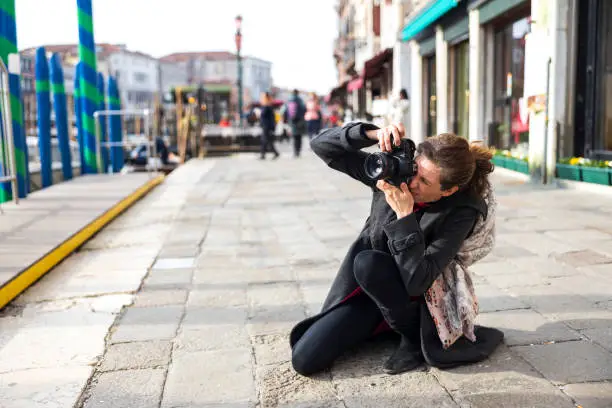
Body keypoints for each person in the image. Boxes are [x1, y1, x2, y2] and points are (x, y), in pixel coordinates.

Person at [289, 121, 504, 376]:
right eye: (415, 169)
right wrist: (371, 133)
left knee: (368, 263)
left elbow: (418, 280)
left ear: (449, 190)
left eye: (424, 181)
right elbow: (322, 146)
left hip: (416, 304)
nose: (412, 183)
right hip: (370, 295)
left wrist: (405, 217)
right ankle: (378, 327)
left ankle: (412, 339)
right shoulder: (393, 175)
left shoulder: (462, 211)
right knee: (304, 359)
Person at [285, 89, 306, 157]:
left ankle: (295, 151)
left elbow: (286, 111)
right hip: (300, 120)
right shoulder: (300, 100)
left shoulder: (289, 100)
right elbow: (304, 109)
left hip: (292, 120)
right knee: (299, 137)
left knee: (294, 137)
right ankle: (298, 151)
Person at [259, 92, 279, 160]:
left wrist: (272, 127)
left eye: (262, 97)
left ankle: (263, 154)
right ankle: (273, 153)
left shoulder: (267, 106)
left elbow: (270, 118)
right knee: (267, 140)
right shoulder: (267, 106)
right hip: (266, 125)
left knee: (265, 140)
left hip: (267, 126)